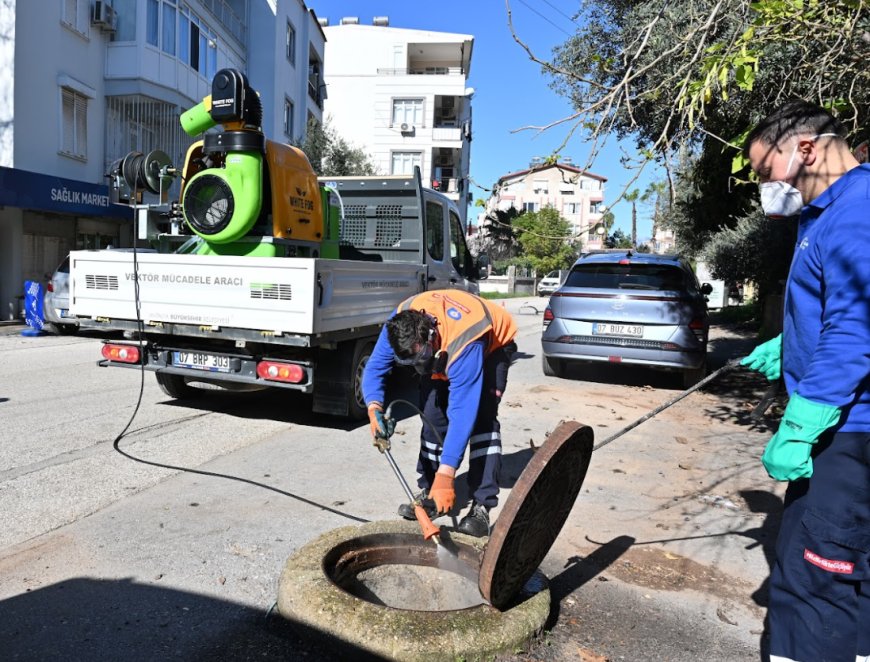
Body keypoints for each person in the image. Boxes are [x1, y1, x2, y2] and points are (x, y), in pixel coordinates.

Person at [741, 99, 870, 662]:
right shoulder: (828, 212)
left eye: (763, 169)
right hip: (844, 434)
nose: (763, 184)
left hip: (848, 437)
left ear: (806, 150)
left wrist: (803, 419)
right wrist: (791, 341)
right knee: (850, 583)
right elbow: (833, 305)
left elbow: (858, 324)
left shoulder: (858, 210)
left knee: (815, 586)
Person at [362, 289, 517, 537]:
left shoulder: (465, 342)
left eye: (420, 356)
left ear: (430, 336)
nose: (416, 365)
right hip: (443, 346)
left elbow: (462, 413)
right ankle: (430, 491)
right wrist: (374, 409)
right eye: (409, 361)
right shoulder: (397, 324)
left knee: (481, 422)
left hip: (491, 347)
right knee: (432, 415)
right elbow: (375, 368)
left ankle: (481, 506)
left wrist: (448, 474)